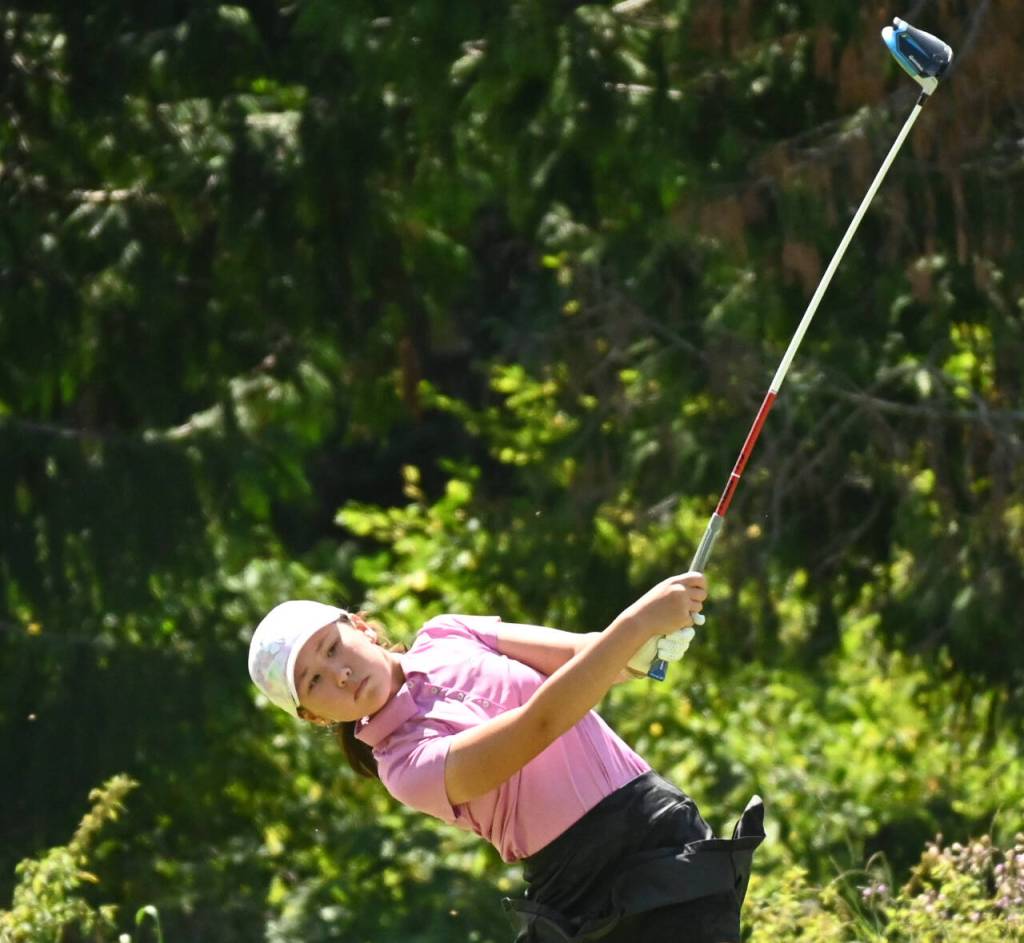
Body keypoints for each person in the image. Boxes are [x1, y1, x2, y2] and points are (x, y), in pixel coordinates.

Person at [248, 571, 764, 942]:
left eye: (332, 647)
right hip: (583, 885)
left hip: (658, 827)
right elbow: (537, 726)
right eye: (313, 680)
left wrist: (646, 647)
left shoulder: (448, 632)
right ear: (315, 716)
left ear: (360, 626)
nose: (339, 673)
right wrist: (635, 624)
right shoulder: (403, 766)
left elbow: (588, 654)